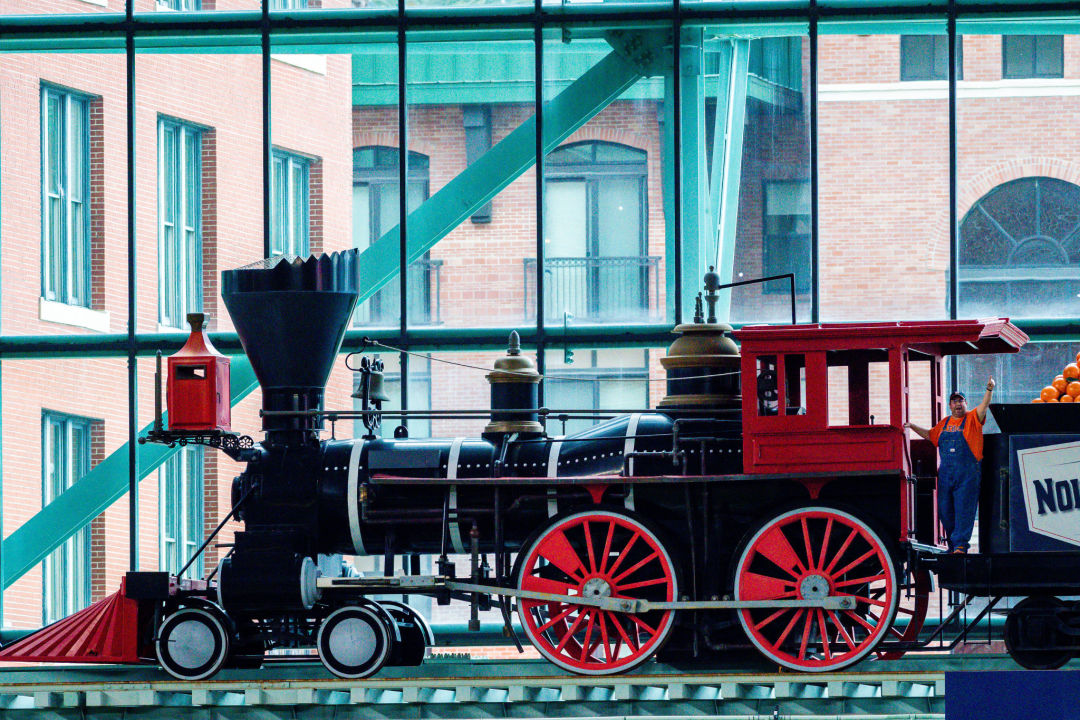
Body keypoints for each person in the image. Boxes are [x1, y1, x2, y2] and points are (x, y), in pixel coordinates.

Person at [904, 378, 995, 554]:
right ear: (949, 405)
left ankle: (960, 546)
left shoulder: (973, 419)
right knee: (945, 511)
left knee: (964, 509)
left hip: (967, 474)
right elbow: (930, 436)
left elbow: (984, 406)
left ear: (966, 404)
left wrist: (989, 390)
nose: (958, 404)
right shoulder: (944, 423)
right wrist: (912, 426)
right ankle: (953, 546)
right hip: (946, 474)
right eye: (954, 401)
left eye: (961, 400)